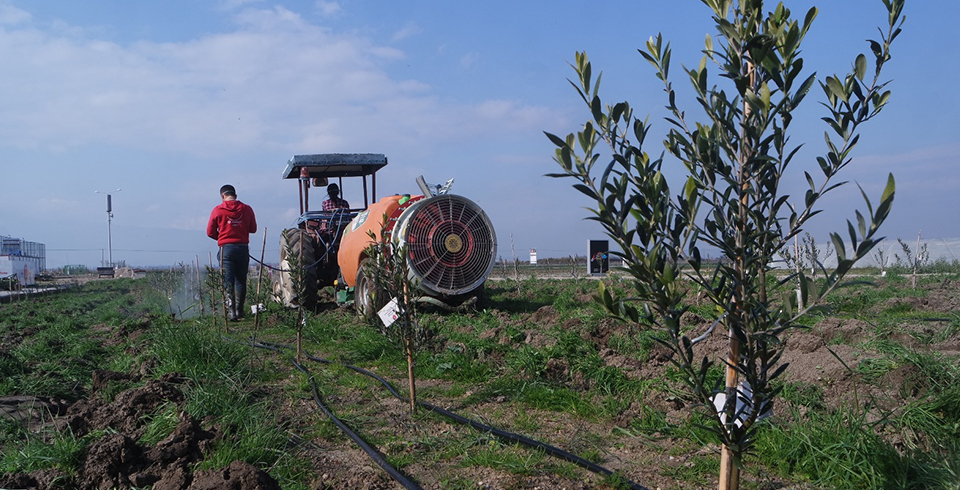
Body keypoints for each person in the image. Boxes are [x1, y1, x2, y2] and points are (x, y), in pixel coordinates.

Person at [207, 184, 257, 321]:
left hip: (226, 249)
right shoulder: (247, 209)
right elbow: (253, 229)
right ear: (235, 195)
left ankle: (231, 313)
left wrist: (223, 238)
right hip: (243, 248)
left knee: (227, 281)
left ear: (222, 196)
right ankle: (240, 312)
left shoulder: (217, 210)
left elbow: (210, 232)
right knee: (241, 280)